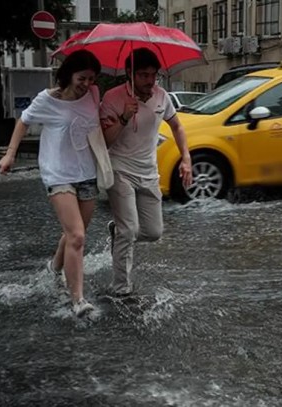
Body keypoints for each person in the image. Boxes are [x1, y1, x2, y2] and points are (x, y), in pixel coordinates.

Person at [0, 50, 102, 317]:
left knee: (73, 235)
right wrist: (10, 154)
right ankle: (78, 300)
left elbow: (93, 125)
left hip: (87, 172)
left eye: (91, 79)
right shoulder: (48, 99)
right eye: (82, 78)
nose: (87, 84)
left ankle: (54, 269)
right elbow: (23, 122)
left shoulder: (93, 94)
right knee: (77, 236)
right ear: (68, 74)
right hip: (58, 175)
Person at [100, 48, 193, 298]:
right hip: (119, 169)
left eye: (154, 75)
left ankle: (118, 232)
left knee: (153, 232)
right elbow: (104, 141)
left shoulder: (162, 97)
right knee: (129, 230)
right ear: (130, 75)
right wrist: (124, 116)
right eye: (143, 75)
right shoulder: (112, 98)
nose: (150, 81)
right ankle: (121, 289)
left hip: (148, 172)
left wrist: (186, 158)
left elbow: (177, 126)